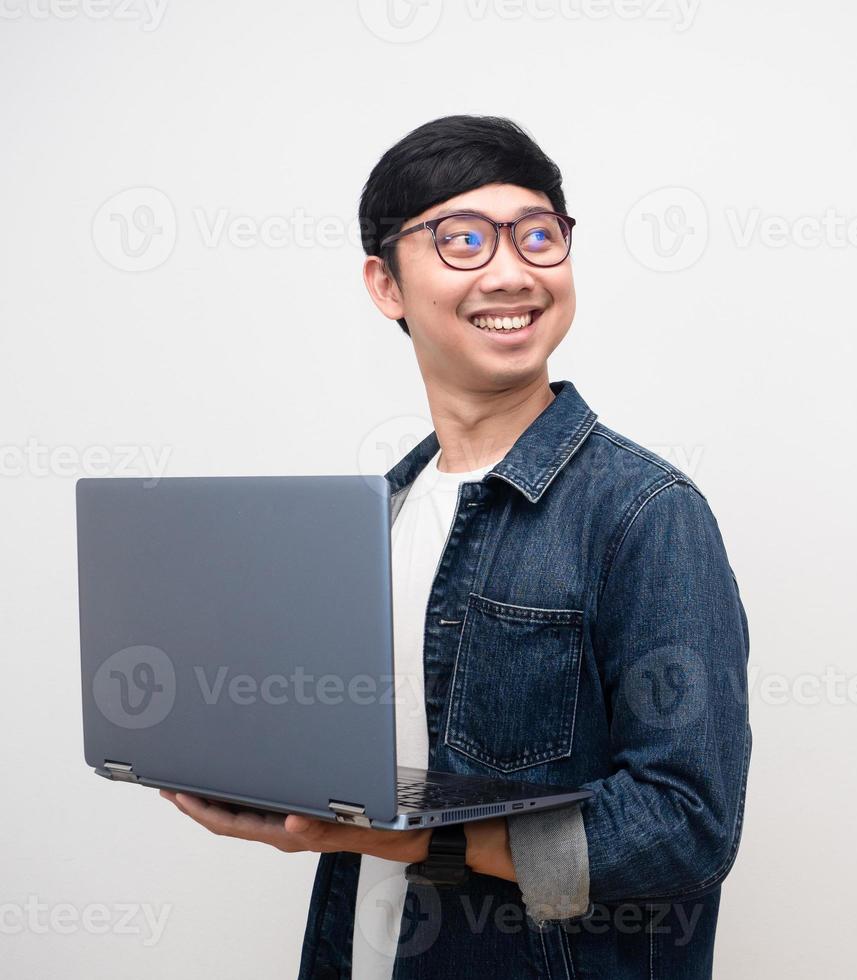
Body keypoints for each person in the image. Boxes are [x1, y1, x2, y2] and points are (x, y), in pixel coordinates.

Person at [160, 114, 751, 979]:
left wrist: (416, 844)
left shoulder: (645, 512)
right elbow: (359, 787)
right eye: (462, 240)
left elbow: (685, 830)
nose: (511, 271)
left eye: (538, 236)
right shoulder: (378, 516)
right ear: (386, 284)